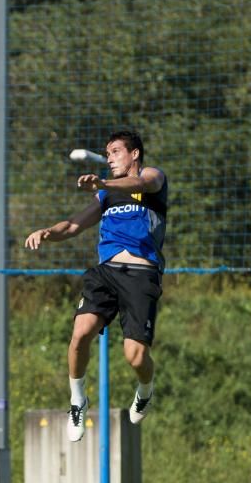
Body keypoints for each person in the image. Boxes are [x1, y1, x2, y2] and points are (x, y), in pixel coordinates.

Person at [24, 130, 167, 443]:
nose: (110, 158)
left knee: (136, 357)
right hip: (105, 273)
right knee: (80, 334)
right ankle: (77, 401)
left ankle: (145, 389)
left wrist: (103, 183)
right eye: (108, 152)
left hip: (141, 275)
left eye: (116, 151)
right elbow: (74, 225)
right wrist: (48, 231)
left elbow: (144, 184)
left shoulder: (151, 177)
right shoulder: (106, 195)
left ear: (135, 155)